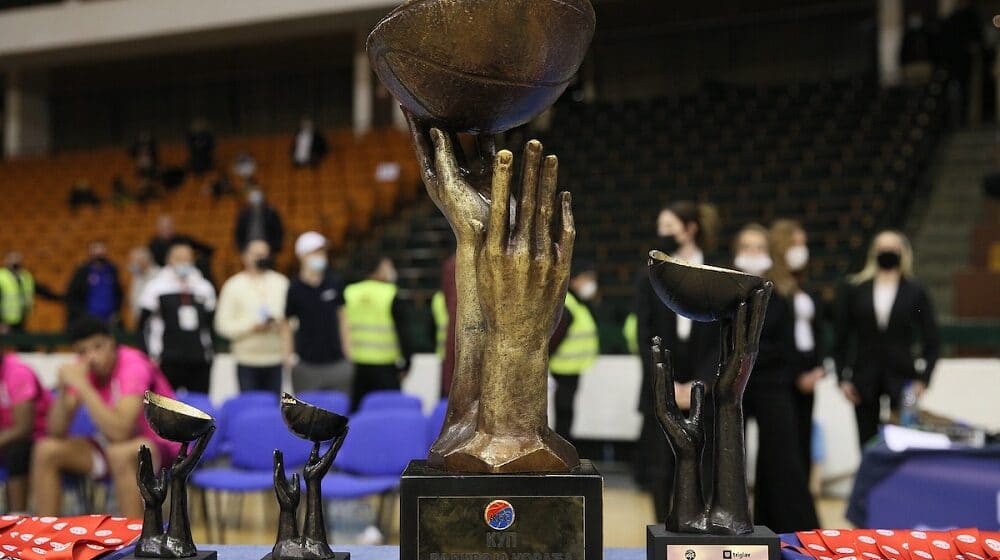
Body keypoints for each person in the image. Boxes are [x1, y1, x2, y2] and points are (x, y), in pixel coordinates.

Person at [31, 318, 179, 518]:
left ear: (112, 344)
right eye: (82, 352)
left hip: (162, 444)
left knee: (123, 453)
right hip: (114, 447)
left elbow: (121, 431)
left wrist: (83, 386)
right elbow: (55, 431)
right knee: (46, 450)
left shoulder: (134, 365)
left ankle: (135, 541)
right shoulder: (84, 369)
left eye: (98, 347)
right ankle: (45, 539)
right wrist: (65, 391)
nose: (91, 357)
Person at [632, 201, 721, 520]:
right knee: (661, 466)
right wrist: (665, 382)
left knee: (706, 464)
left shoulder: (715, 272)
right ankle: (664, 531)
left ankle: (702, 529)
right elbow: (644, 334)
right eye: (660, 228)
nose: (662, 234)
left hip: (705, 387)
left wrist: (701, 383)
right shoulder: (649, 276)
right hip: (662, 384)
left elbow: (723, 336)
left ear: (690, 228)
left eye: (669, 227)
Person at [732, 224, 819, 533]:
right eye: (746, 246)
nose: (753, 253)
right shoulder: (727, 289)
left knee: (781, 459)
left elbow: (785, 345)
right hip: (735, 386)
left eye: (759, 247)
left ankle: (793, 529)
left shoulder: (782, 293)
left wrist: (749, 351)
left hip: (773, 384)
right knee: (730, 460)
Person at [835, 230, 940, 447]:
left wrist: (924, 379)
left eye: (893, 248)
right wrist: (842, 377)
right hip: (863, 377)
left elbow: (932, 338)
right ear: (873, 252)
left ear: (904, 252)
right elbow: (841, 337)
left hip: (903, 377)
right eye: (882, 247)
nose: (887, 252)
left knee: (903, 440)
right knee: (866, 443)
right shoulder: (855, 288)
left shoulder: (915, 290)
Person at [769, 219, 826, 482]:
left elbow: (816, 332)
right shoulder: (773, 288)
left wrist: (818, 368)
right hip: (784, 373)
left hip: (809, 369)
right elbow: (781, 339)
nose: (802, 250)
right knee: (786, 442)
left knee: (804, 438)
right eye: (796, 244)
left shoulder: (806, 288)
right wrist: (796, 375)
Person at [138, 243, 217, 394]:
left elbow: (210, 323)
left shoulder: (204, 287)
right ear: (169, 260)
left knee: (199, 409)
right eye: (179, 259)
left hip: (198, 359)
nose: (183, 263)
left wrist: (211, 352)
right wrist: (148, 355)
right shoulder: (156, 287)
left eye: (187, 259)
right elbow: (142, 324)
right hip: (167, 359)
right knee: (166, 408)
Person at [215, 240, 288, 394]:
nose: (261, 258)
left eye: (265, 254)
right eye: (257, 255)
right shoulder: (233, 285)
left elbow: (294, 319)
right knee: (250, 408)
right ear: (245, 257)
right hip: (246, 360)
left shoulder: (281, 283)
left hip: (275, 359)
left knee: (274, 411)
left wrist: (281, 324)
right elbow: (222, 325)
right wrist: (250, 327)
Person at [283, 232, 352, 394]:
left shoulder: (335, 282)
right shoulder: (294, 289)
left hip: (337, 362)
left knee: (339, 414)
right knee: (307, 416)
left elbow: (343, 318)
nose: (320, 256)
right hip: (307, 365)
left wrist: (348, 354)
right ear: (302, 256)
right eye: (315, 252)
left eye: (322, 252)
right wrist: (288, 356)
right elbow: (286, 323)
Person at [343, 256, 412, 409]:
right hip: (385, 367)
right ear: (378, 270)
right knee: (390, 410)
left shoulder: (350, 292)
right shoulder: (391, 293)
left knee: (357, 413)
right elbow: (403, 332)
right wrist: (407, 362)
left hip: (357, 366)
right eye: (388, 267)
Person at [548, 262, 600, 444]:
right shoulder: (568, 304)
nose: (591, 283)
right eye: (587, 279)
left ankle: (564, 445)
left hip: (570, 369)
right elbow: (554, 337)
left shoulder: (578, 303)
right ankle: (562, 447)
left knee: (566, 413)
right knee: (563, 413)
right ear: (575, 281)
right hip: (562, 369)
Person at [0, 333, 51, 512]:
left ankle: (18, 517)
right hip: (7, 436)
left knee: (17, 449)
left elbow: (23, 427)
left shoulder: (17, 372)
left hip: (37, 436)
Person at [65, 240, 123, 327]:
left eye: (101, 248)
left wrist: (116, 311)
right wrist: (81, 314)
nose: (99, 252)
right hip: (88, 317)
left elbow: (119, 293)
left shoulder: (111, 270)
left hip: (109, 318)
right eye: (96, 248)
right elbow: (72, 294)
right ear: (90, 251)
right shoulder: (82, 271)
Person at [148, 214, 215, 282]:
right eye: (163, 228)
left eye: (169, 227)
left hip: (187, 271)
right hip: (165, 272)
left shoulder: (183, 239)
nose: (166, 230)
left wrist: (197, 258)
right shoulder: (153, 244)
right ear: (158, 229)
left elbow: (207, 249)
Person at [234, 187, 284, 254]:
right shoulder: (244, 214)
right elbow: (239, 231)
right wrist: (242, 247)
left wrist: (274, 246)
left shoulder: (270, 213)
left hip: (265, 244)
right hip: (249, 245)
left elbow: (277, 230)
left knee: (264, 263)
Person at [127, 247, 160, 325]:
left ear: (145, 261)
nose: (133, 264)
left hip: (154, 319)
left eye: (135, 261)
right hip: (139, 317)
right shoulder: (137, 275)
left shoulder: (158, 275)